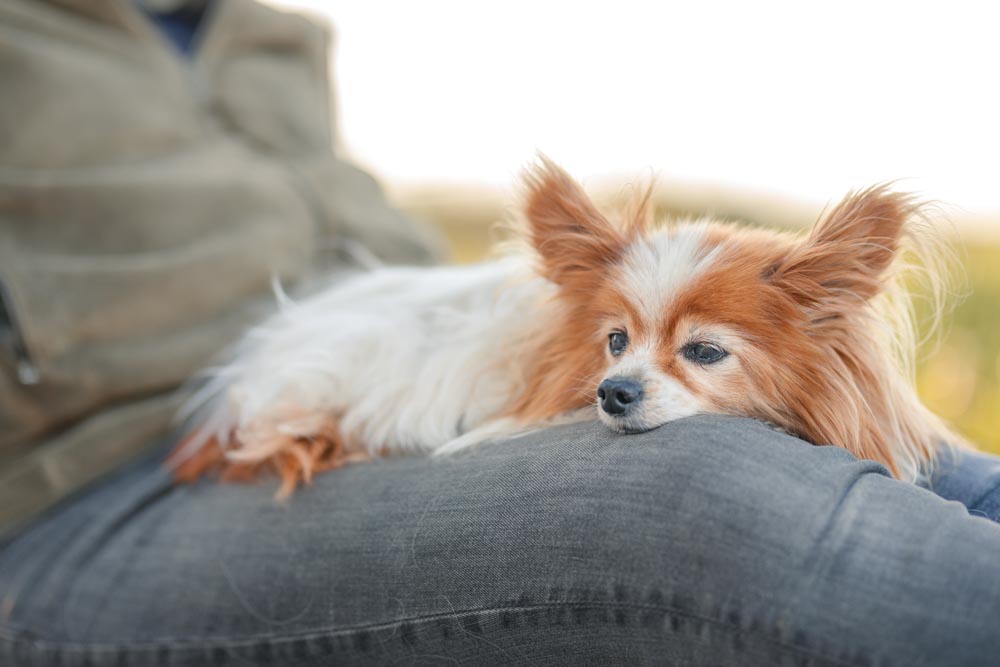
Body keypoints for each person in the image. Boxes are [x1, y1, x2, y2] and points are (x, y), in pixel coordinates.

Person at [2, 1, 1000, 665]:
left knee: (943, 470)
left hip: (386, 338)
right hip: (99, 483)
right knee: (700, 490)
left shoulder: (257, 29)